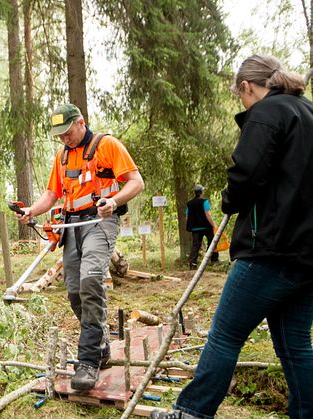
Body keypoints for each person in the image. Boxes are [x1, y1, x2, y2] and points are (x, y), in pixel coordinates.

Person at [151, 55, 313, 419]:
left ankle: (192, 412)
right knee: (295, 344)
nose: (242, 102)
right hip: (307, 256)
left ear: (246, 86)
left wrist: (228, 200)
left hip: (269, 250)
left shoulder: (266, 113)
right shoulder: (308, 112)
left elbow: (247, 174)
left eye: (240, 95)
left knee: (225, 334)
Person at [16, 103, 144, 391]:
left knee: (90, 281)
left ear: (81, 123)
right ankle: (101, 344)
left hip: (100, 221)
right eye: (58, 135)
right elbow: (52, 193)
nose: (64, 139)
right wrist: (32, 211)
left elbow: (136, 182)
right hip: (71, 225)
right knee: (74, 291)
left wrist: (114, 201)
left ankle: (87, 360)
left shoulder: (107, 145)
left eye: (67, 132)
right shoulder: (61, 157)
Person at [185, 184, 218, 268]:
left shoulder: (189, 203)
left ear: (194, 193)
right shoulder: (204, 201)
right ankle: (212, 260)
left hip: (195, 228)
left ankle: (193, 264)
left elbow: (187, 217)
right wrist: (213, 224)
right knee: (212, 242)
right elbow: (208, 215)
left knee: (196, 245)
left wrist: (190, 225)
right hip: (206, 227)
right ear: (202, 192)